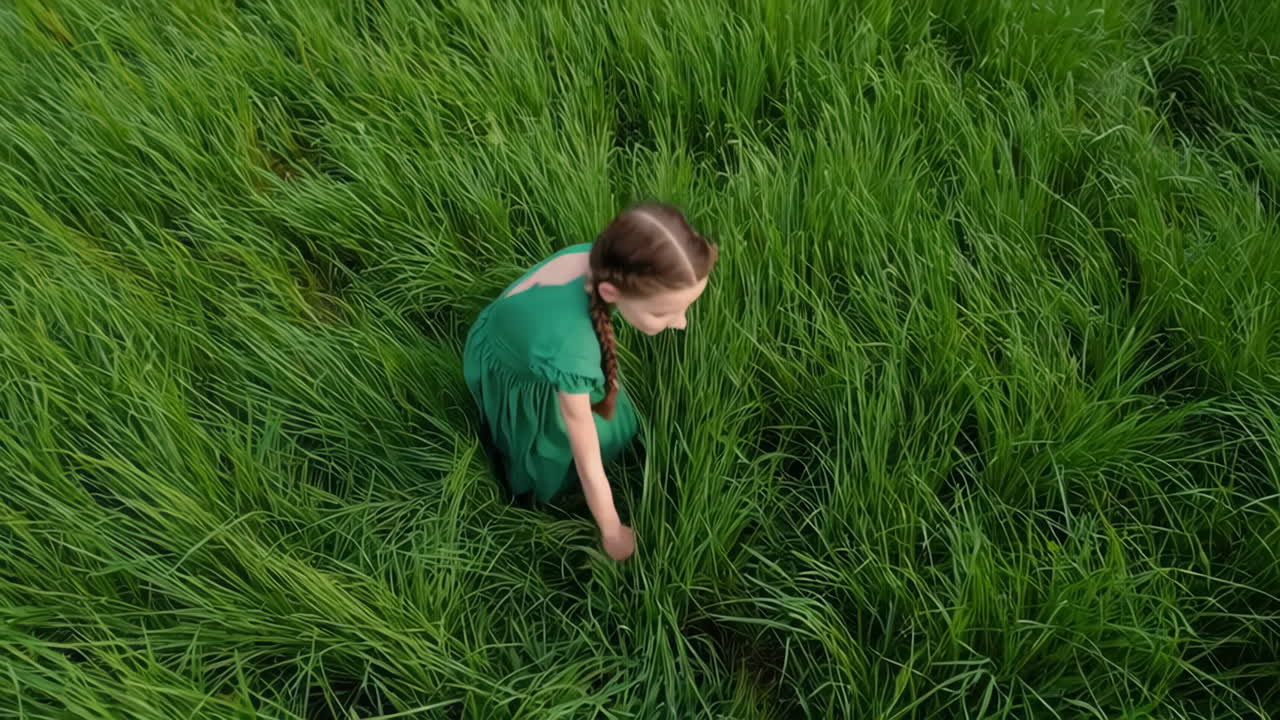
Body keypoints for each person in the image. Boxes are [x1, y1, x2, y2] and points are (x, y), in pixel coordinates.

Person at [463, 202, 718, 561]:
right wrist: (612, 530)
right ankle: (535, 498)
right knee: (565, 447)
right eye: (664, 312)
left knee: (607, 420)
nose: (681, 323)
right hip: (518, 370)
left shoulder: (601, 259)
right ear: (613, 293)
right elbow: (584, 452)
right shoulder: (575, 350)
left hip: (511, 333)